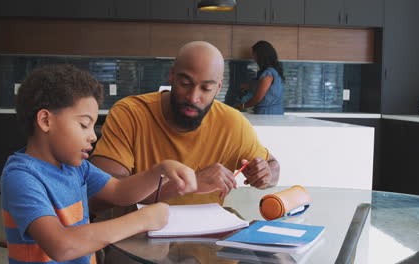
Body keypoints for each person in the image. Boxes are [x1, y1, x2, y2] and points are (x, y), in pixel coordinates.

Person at [0, 64, 197, 264]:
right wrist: (141, 221)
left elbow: (119, 191)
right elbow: (61, 246)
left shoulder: (76, 167)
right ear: (45, 120)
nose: (93, 136)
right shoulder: (22, 176)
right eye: (84, 125)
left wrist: (160, 170)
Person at [91, 41, 280, 208]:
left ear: (218, 88)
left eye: (206, 88)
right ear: (172, 75)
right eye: (185, 83)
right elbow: (102, 190)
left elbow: (273, 166)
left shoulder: (233, 123)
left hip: (205, 241)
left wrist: (265, 175)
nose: (193, 97)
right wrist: (191, 184)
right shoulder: (131, 113)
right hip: (135, 236)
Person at [235, 40, 285, 115]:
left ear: (261, 55)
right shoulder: (274, 71)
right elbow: (268, 90)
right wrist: (250, 86)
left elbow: (257, 98)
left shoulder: (268, 73)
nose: (253, 58)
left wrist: (242, 106)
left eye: (254, 55)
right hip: (274, 113)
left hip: (267, 114)